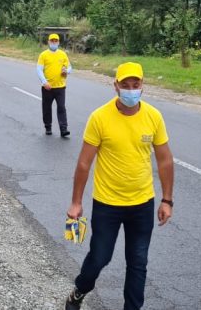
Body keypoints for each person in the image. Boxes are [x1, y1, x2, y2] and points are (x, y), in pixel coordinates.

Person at [63, 62, 175, 310]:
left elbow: (165, 160)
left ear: (143, 86)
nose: (131, 90)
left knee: (138, 263)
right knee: (99, 258)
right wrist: (76, 202)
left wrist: (167, 200)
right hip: (107, 204)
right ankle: (80, 290)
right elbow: (84, 163)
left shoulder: (153, 116)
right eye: (125, 85)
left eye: (136, 85)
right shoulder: (100, 117)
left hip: (142, 203)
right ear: (116, 86)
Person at [37, 33, 72, 138]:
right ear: (48, 42)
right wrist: (44, 82)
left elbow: (70, 67)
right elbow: (39, 69)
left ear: (58, 42)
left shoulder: (63, 54)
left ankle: (63, 129)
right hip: (48, 87)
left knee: (61, 107)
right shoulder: (43, 55)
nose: (54, 42)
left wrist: (67, 71)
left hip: (60, 86)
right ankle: (48, 127)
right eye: (52, 40)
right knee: (47, 108)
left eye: (55, 41)